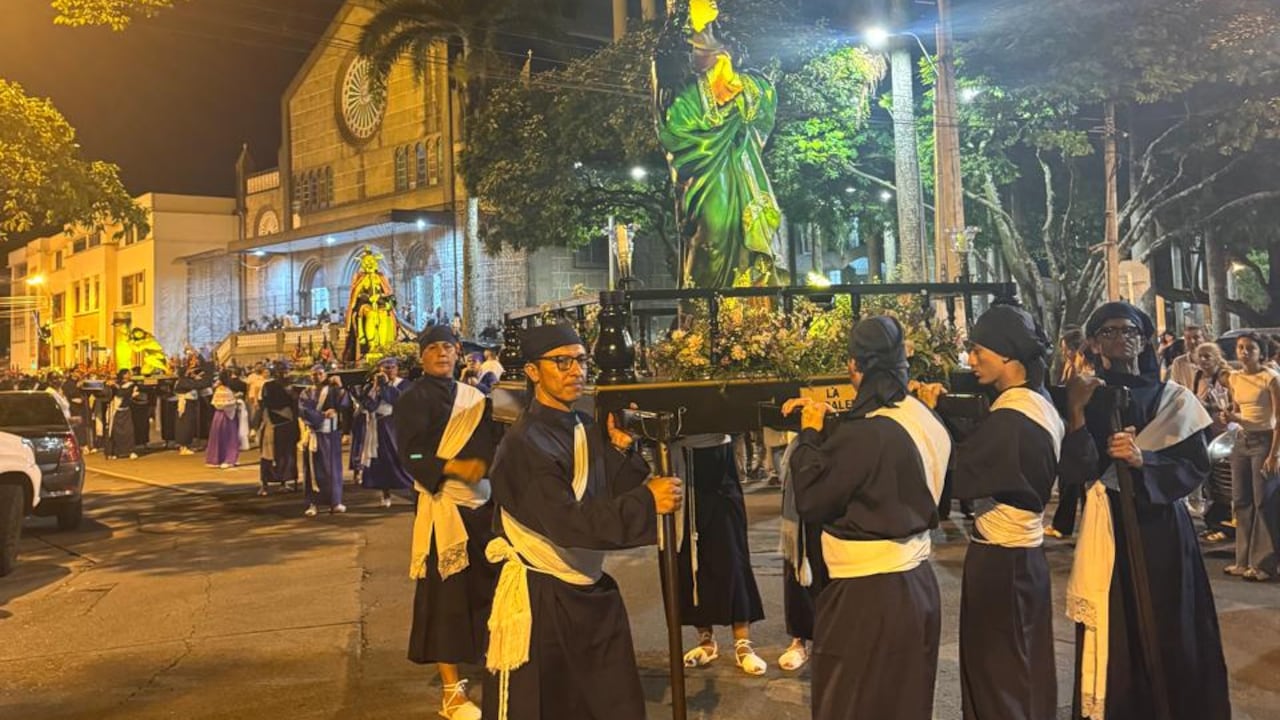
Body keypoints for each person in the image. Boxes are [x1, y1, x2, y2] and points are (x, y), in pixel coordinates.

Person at [481, 323, 683, 720]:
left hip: (587, 588)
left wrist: (620, 454)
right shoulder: (524, 444)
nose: (576, 370)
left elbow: (598, 493)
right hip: (545, 596)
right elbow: (570, 523)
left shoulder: (582, 425)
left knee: (608, 702)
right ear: (533, 371)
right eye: (561, 362)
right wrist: (647, 500)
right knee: (550, 704)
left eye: (581, 360)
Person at [1060, 302, 1229, 720]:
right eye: (1109, 332)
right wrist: (1076, 413)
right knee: (1117, 622)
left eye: (1130, 330)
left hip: (1164, 531)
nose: (1122, 339)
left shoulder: (1173, 399)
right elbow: (1076, 472)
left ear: (1145, 339)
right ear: (1094, 343)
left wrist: (1143, 461)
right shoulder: (1088, 397)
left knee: (1171, 622)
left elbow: (1195, 466)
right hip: (1110, 527)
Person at [784, 316, 951, 720]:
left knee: (852, 703)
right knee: (903, 702)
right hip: (918, 583)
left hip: (867, 596)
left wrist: (810, 433)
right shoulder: (923, 416)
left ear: (854, 366)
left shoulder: (868, 432)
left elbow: (812, 498)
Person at [952, 305, 1062, 720]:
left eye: (978, 350)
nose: (971, 360)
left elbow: (958, 474)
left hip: (1002, 562)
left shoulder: (1012, 419)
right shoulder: (1036, 403)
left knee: (998, 668)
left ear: (1007, 354)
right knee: (1023, 662)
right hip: (1023, 559)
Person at [394, 326, 500, 720]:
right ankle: (451, 691)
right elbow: (410, 455)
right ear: (422, 356)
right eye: (433, 348)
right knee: (447, 599)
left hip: (482, 505)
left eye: (448, 347)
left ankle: (493, 659)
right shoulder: (412, 399)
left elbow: (495, 442)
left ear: (458, 353)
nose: (442, 353)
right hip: (445, 507)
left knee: (489, 589)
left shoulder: (475, 397)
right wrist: (453, 467)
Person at [673, 432, 767, 676]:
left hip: (718, 464)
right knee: (690, 558)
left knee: (732, 556)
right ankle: (705, 639)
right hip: (680, 463)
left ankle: (743, 642)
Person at [1225, 332, 1280, 581]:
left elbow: (1278, 419)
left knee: (1263, 502)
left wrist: (1274, 454)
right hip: (1242, 440)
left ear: (1261, 352)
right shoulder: (1234, 377)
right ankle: (1242, 560)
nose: (1244, 352)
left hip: (1264, 441)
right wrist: (1229, 416)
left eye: (1250, 348)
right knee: (1240, 500)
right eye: (1240, 348)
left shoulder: (1271, 378)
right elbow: (1238, 411)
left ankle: (1263, 563)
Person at [775, 430, 827, 672]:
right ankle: (799, 638)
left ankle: (836, 638)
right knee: (800, 556)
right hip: (804, 450)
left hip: (840, 453)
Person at [356, 357, 414, 507]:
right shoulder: (372, 386)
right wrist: (376, 388)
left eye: (392, 368)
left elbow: (399, 401)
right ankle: (385, 494)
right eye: (386, 368)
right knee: (382, 460)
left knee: (400, 458)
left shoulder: (405, 384)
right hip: (378, 425)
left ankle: (413, 491)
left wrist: (386, 386)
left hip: (396, 425)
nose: (390, 371)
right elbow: (369, 406)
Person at [300, 365, 349, 517]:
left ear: (325, 375)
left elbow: (345, 405)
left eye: (320, 374)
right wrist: (323, 415)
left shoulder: (333, 391)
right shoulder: (306, 393)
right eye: (314, 374)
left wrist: (340, 387)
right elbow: (304, 411)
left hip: (331, 435)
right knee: (313, 471)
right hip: (314, 434)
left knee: (332, 470)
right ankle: (312, 503)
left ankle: (335, 501)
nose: (317, 377)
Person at [258, 362, 300, 495]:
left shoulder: (293, 386)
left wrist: (291, 394)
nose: (284, 374)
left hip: (288, 423)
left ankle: (285, 481)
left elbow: (297, 404)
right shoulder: (268, 385)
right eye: (281, 371)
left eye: (286, 371)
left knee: (287, 454)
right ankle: (265, 484)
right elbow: (266, 403)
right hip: (272, 422)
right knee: (268, 455)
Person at [205, 372, 245, 469]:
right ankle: (229, 459)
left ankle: (215, 459)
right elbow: (227, 404)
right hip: (227, 416)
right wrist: (236, 401)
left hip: (218, 416)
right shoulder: (226, 391)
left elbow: (216, 403)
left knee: (217, 438)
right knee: (230, 438)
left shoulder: (218, 389)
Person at [106, 369, 139, 460]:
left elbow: (124, 393)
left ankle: (130, 451)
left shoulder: (131, 385)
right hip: (116, 410)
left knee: (128, 431)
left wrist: (116, 387)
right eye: (127, 373)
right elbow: (109, 394)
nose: (129, 375)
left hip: (126, 410)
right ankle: (116, 452)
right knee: (115, 432)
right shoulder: (117, 384)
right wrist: (109, 385)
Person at [1166, 324, 1205, 389]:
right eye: (1188, 338)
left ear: (1204, 339)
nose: (1192, 341)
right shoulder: (1178, 363)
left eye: (1196, 337)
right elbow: (1175, 388)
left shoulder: (1213, 361)